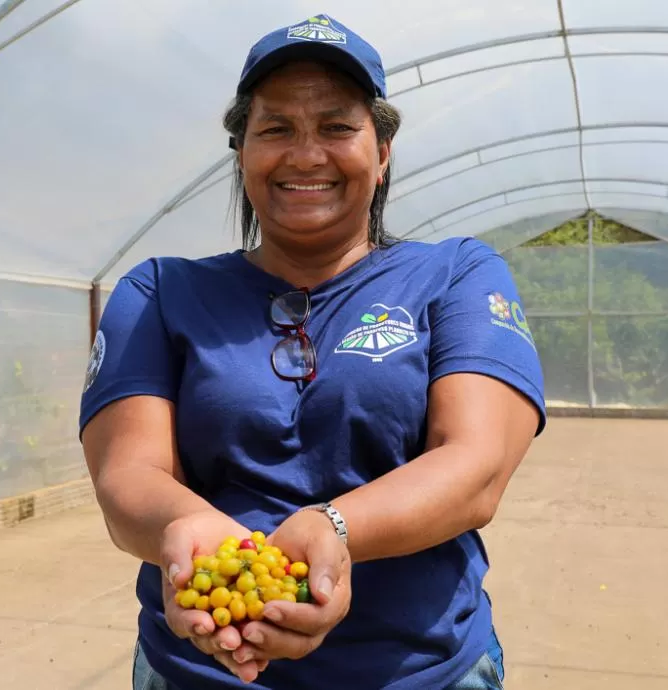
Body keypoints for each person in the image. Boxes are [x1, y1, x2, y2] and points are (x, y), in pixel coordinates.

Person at [79, 12, 545, 690]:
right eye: (275, 129)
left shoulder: (456, 274)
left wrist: (336, 527)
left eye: (336, 127)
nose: (305, 155)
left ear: (382, 152)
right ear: (241, 153)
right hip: (198, 672)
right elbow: (126, 475)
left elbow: (476, 468)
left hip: (418, 672)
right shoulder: (160, 291)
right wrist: (195, 539)